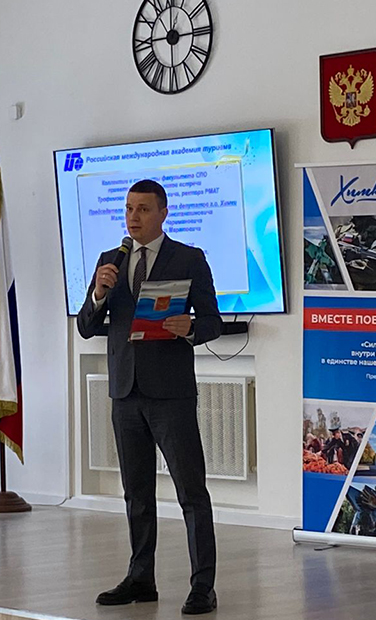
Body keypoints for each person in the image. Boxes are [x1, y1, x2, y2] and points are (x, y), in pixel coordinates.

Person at [78, 179, 222, 615]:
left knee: (191, 492)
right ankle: (141, 578)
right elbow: (86, 326)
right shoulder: (111, 261)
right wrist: (99, 294)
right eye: (128, 209)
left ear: (163, 213)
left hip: (170, 393)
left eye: (142, 209)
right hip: (125, 392)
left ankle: (203, 586)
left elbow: (213, 321)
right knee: (136, 494)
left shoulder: (189, 258)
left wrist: (190, 327)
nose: (133, 217)